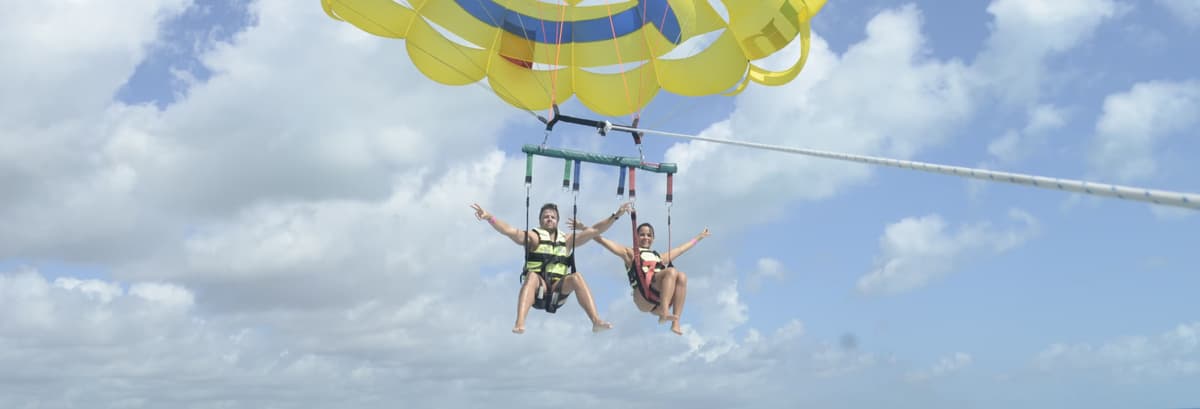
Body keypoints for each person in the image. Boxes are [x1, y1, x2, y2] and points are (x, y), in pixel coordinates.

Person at [471, 201, 632, 334]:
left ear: (557, 221)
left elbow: (595, 230)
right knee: (532, 275)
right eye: (546, 217)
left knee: (577, 276)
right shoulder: (534, 237)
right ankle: (520, 322)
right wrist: (489, 218)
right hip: (537, 292)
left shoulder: (568, 240)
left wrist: (616, 215)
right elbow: (510, 231)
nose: (549, 219)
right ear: (540, 221)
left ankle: (596, 320)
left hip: (557, 292)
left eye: (552, 217)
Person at [583, 220, 709, 335]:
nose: (646, 237)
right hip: (643, 296)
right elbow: (603, 241)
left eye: (649, 235)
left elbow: (681, 249)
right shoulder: (630, 253)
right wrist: (583, 228)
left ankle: (675, 322)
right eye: (642, 234)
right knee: (671, 271)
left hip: (657, 302)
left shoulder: (659, 257)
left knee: (682, 276)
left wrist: (699, 238)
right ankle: (665, 312)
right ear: (636, 237)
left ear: (653, 238)